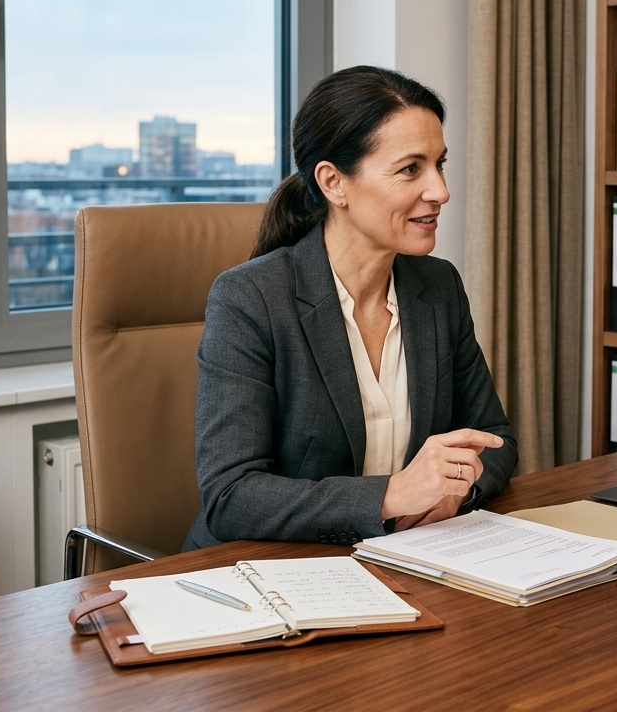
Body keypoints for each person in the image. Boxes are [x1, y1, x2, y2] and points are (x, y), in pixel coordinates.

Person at [184, 66, 517, 550]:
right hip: (268, 573)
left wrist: (454, 495)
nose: (440, 191)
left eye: (439, 164)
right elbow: (232, 496)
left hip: (407, 558)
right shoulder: (250, 298)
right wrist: (392, 495)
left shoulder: (437, 286)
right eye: (410, 169)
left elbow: (494, 438)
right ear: (334, 183)